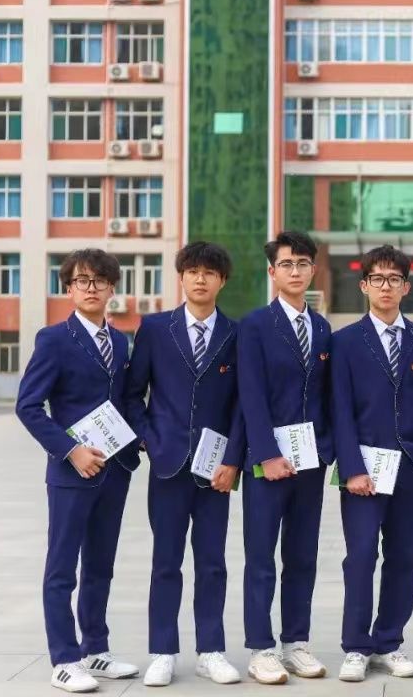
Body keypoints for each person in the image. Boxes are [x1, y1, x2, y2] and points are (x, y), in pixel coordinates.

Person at [15, 249, 140, 693]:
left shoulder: (121, 341)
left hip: (114, 469)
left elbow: (125, 402)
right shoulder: (54, 339)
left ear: (111, 288)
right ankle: (65, 659)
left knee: (101, 566)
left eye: (99, 280)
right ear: (68, 288)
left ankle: (95, 649)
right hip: (72, 473)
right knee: (62, 568)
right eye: (81, 281)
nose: (91, 288)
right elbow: (28, 406)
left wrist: (144, 437)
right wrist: (71, 450)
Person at [125, 242, 245, 688]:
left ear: (222, 281)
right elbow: (132, 394)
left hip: (216, 472)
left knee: (213, 562)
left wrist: (233, 460)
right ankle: (163, 651)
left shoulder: (236, 334)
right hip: (168, 464)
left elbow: (243, 404)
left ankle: (211, 651)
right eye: (192, 271)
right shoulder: (156, 329)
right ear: (180, 278)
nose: (200, 279)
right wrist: (150, 439)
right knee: (166, 561)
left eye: (209, 272)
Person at [330, 245, 413, 683]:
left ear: (406, 287)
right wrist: (352, 467)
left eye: (394, 279)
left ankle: (389, 642)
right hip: (364, 468)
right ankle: (356, 646)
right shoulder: (344, 342)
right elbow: (339, 410)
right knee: (360, 557)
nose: (386, 286)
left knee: (404, 557)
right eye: (377, 279)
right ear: (364, 286)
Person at [237, 231, 332, 684]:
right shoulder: (255, 325)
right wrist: (267, 454)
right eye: (287, 264)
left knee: (302, 555)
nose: (296, 271)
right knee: (260, 557)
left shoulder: (323, 328)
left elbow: (326, 395)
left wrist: (327, 449)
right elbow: (250, 394)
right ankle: (261, 648)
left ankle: (296, 642)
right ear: (272, 272)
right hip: (267, 464)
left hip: (310, 462)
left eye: (303, 264)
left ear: (313, 270)